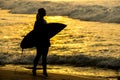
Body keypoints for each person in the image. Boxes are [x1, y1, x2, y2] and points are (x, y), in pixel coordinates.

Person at [32, 8, 50, 77]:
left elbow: (47, 31)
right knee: (39, 55)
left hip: (45, 41)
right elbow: (35, 32)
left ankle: (44, 71)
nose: (46, 12)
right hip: (40, 41)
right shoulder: (37, 22)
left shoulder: (45, 21)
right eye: (44, 11)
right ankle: (34, 69)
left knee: (44, 57)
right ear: (41, 13)